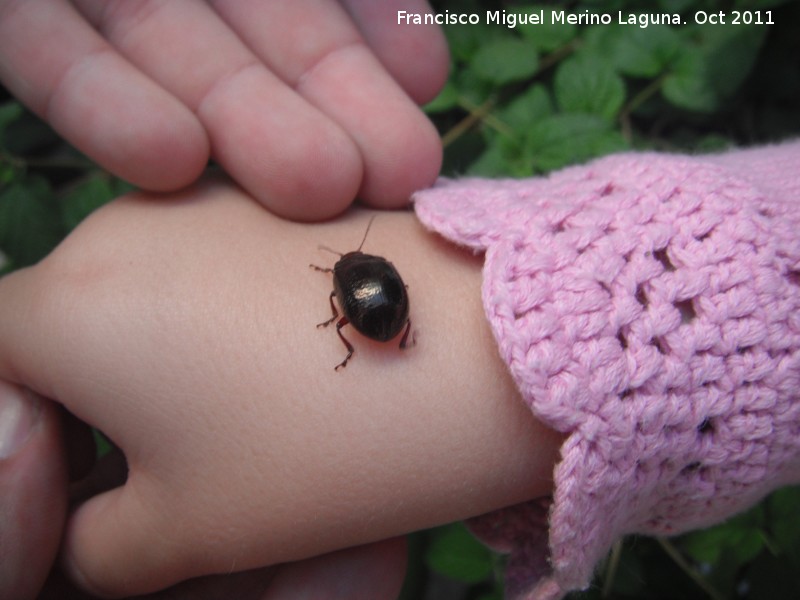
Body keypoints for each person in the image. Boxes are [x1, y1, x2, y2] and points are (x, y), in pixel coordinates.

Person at [0, 1, 451, 598]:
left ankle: (354, 346)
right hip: (383, 309)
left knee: (353, 319)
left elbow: (359, 290)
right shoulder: (362, 272)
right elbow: (384, 280)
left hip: (374, 313)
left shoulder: (345, 285)